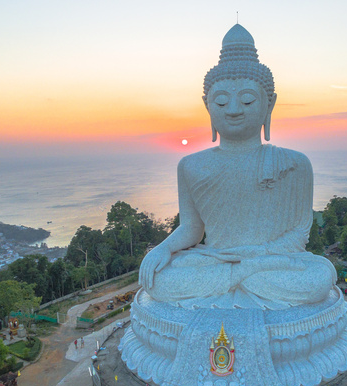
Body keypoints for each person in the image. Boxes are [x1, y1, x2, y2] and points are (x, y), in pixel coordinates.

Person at [138, 24, 336, 310]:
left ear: (269, 105)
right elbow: (192, 230)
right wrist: (163, 248)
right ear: (207, 106)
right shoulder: (190, 165)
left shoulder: (294, 164)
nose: (233, 109)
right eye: (221, 101)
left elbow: (298, 234)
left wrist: (255, 255)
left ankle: (236, 278)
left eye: (246, 99)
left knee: (319, 276)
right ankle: (238, 278)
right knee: (159, 279)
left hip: (269, 262)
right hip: (217, 260)